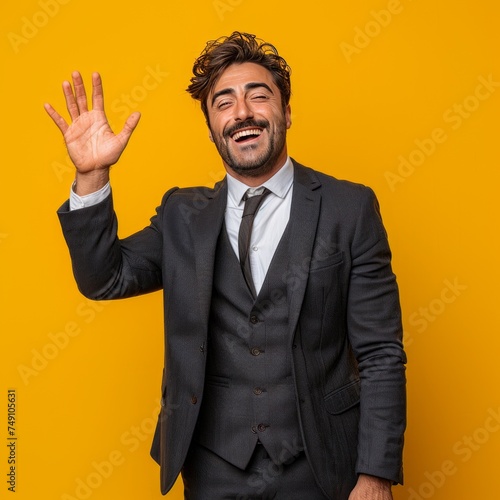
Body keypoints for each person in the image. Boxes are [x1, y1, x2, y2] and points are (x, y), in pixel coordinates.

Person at [45, 32, 406, 500]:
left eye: (259, 95)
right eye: (224, 103)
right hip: (213, 468)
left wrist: (374, 476)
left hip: (321, 466)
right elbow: (105, 278)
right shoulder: (182, 215)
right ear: (212, 127)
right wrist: (92, 175)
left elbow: (381, 354)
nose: (243, 113)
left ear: (286, 112)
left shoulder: (348, 208)